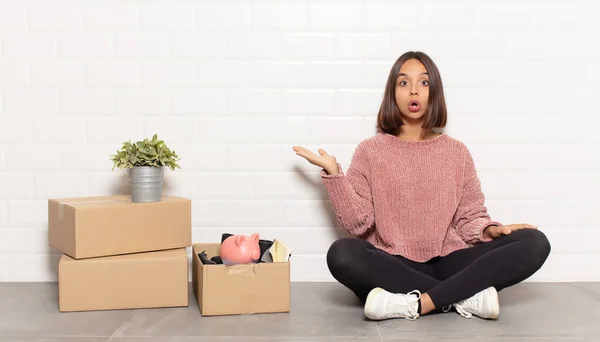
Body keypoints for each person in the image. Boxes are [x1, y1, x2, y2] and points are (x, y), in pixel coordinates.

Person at [292, 51, 551, 321]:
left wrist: (491, 229)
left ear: (434, 92)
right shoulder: (370, 151)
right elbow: (358, 223)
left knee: (534, 242)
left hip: (450, 261)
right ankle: (462, 296)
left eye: (424, 83)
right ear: (392, 92)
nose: (414, 91)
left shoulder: (456, 152)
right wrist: (334, 174)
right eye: (404, 83)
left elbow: (469, 217)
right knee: (342, 253)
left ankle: (415, 303)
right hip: (393, 263)